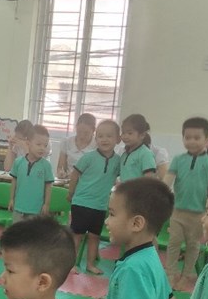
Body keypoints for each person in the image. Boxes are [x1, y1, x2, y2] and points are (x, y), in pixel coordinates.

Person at [164, 117, 208, 291]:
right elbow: (168, 179)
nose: (191, 141)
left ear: (207, 140)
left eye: (197, 138)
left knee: (193, 245)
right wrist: (160, 192)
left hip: (199, 213)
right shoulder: (178, 159)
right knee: (173, 243)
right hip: (178, 211)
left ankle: (186, 275)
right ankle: (170, 273)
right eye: (187, 137)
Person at [67, 120, 122, 275]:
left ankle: (90, 264)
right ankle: (71, 264)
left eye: (109, 136)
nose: (104, 139)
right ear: (95, 138)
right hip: (81, 202)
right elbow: (75, 174)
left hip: (100, 205)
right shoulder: (89, 157)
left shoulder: (118, 161)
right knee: (77, 235)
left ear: (118, 139)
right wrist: (71, 193)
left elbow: (118, 178)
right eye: (100, 136)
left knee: (94, 237)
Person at [8, 125, 54, 223]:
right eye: (38, 144)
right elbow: (14, 182)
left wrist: (46, 204)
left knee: (33, 232)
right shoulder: (18, 162)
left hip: (36, 210)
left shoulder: (46, 165)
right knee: (17, 231)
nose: (42, 148)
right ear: (28, 143)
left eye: (45, 145)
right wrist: (11, 199)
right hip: (18, 208)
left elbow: (49, 186)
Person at [56, 113, 98, 179]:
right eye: (79, 131)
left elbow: (96, 170)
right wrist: (61, 173)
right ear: (76, 127)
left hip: (88, 181)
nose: (82, 136)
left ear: (93, 130)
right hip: (68, 180)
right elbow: (60, 167)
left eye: (86, 133)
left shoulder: (97, 145)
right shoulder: (66, 142)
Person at [119, 114, 158, 181]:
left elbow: (149, 179)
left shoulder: (145, 154)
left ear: (142, 135)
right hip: (125, 188)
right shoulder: (124, 154)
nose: (125, 136)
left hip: (139, 188)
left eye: (130, 133)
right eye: (123, 133)